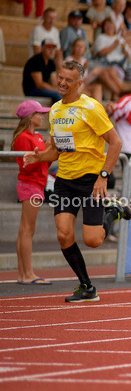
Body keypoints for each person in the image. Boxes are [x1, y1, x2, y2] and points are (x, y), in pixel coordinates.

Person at [19, 59, 131, 303]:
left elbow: (116, 143)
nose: (62, 82)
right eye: (60, 77)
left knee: (93, 240)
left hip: (91, 180)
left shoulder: (91, 107)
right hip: (65, 180)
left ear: (79, 83)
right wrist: (38, 157)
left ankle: (112, 211)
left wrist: (103, 176)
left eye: (68, 80)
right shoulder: (56, 110)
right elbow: (55, 151)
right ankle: (87, 286)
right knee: (63, 235)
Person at [12, 100, 52, 285]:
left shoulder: (37, 137)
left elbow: (43, 164)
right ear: (30, 117)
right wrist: (44, 154)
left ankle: (23, 274)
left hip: (36, 184)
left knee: (26, 230)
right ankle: (27, 274)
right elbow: (25, 166)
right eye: (39, 114)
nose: (42, 116)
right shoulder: (24, 137)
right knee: (27, 230)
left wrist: (49, 150)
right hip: (30, 185)